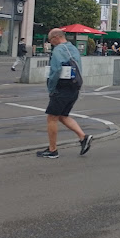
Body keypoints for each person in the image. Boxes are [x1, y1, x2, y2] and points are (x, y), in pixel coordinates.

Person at [37, 28, 92, 159]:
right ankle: (83, 137)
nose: (51, 43)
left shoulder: (58, 50)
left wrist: (51, 88)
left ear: (56, 37)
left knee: (51, 117)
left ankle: (52, 150)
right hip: (74, 87)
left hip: (62, 89)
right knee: (62, 115)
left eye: (51, 41)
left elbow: (56, 70)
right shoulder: (73, 48)